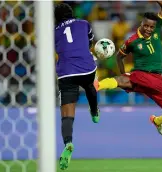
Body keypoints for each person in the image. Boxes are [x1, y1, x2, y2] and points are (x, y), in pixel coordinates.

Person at [94, 1, 162, 136]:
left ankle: (157, 121)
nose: (148, 29)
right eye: (146, 25)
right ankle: (97, 85)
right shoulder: (132, 41)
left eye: (151, 27)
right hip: (141, 74)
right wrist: (124, 73)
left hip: (157, 80)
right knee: (122, 80)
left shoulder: (157, 30)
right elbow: (119, 57)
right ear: (141, 24)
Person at [55, 3, 100, 170]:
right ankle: (94, 111)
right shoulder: (84, 23)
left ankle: (68, 143)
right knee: (89, 85)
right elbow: (89, 41)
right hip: (86, 67)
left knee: (66, 114)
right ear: (72, 13)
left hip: (66, 72)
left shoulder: (54, 32)